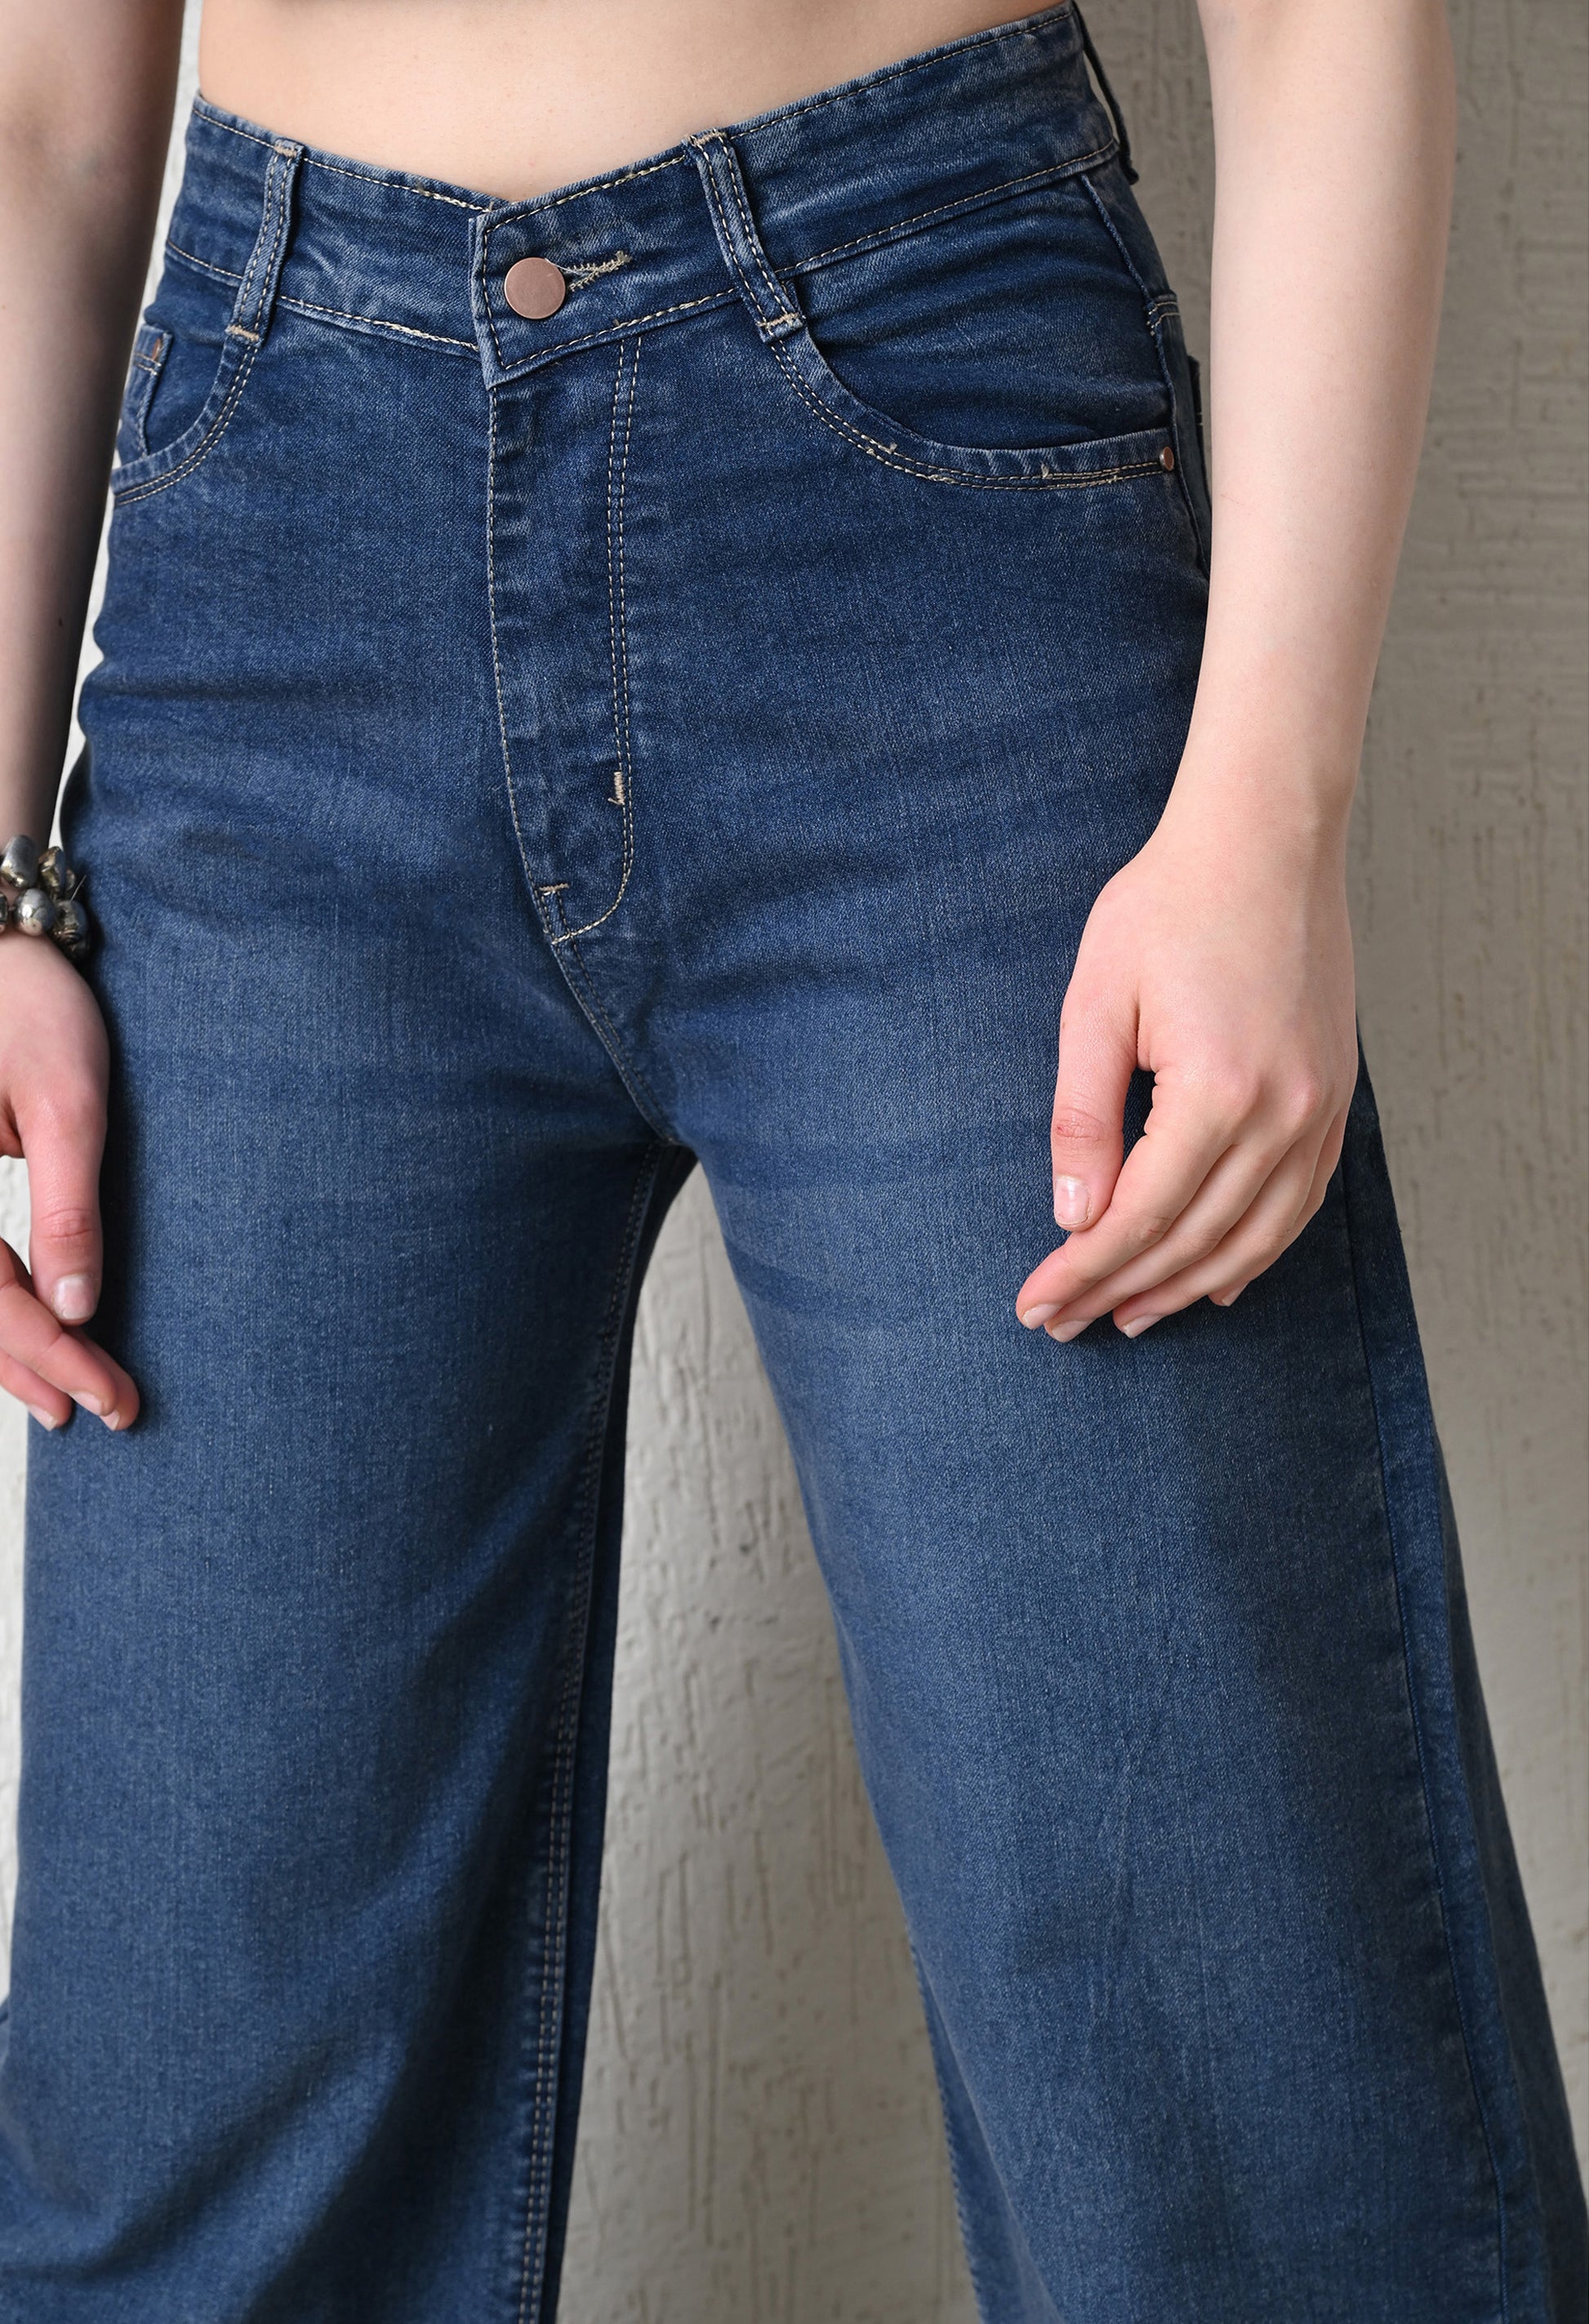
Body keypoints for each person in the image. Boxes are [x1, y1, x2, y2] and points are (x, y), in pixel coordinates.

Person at [0, 0, 1582, 2315]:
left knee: (1231, 2080)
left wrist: (1267, 814)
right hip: (272, 589)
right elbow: (45, 116)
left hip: (928, 485)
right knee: (188, 2130)